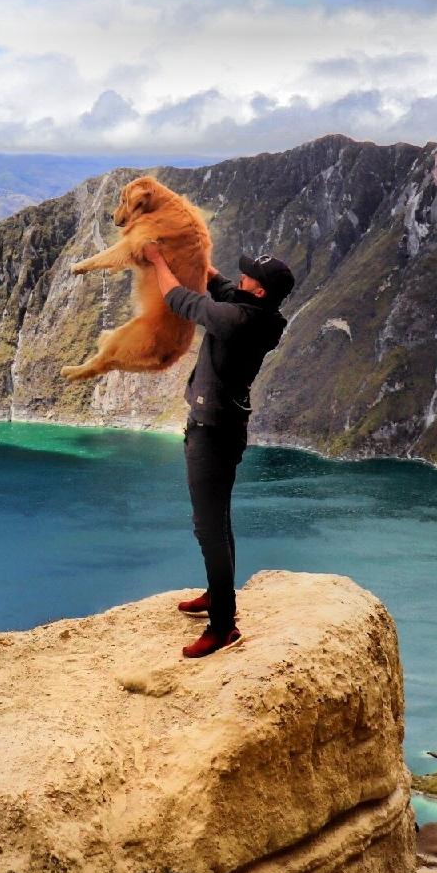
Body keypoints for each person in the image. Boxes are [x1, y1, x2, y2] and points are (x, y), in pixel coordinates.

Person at [141, 244, 294, 658]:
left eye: (250, 277)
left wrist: (158, 260)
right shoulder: (263, 316)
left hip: (212, 432)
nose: (241, 278)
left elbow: (179, 300)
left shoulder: (237, 322)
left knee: (208, 527)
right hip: (227, 427)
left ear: (259, 292)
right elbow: (225, 287)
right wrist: (201, 266)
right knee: (220, 520)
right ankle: (218, 595)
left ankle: (223, 627)